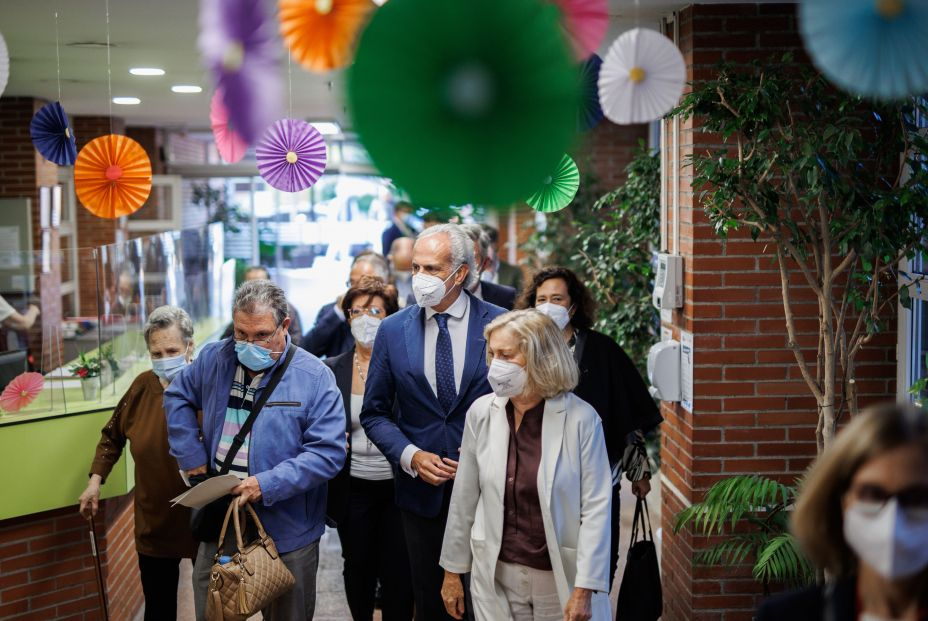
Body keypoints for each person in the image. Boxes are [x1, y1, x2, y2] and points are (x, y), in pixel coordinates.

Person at [165, 279, 346, 621]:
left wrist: (266, 483)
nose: (250, 345)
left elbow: (327, 453)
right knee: (212, 612)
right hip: (222, 518)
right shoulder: (214, 358)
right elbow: (177, 396)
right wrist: (191, 457)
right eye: (241, 334)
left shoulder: (314, 376)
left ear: (285, 325)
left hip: (287, 529)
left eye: (262, 335)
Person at [361, 223, 506, 620]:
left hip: (490, 491)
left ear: (460, 273)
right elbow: (374, 412)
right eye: (416, 268)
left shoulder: (501, 324)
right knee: (431, 603)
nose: (420, 278)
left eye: (431, 269)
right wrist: (411, 455)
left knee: (490, 601)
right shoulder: (393, 330)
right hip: (422, 495)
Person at [439, 309, 612, 621]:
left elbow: (596, 510)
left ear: (540, 358)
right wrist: (452, 571)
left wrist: (584, 589)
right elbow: (464, 498)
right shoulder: (482, 412)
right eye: (493, 354)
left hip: (557, 576)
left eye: (507, 355)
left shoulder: (582, 420)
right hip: (496, 572)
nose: (495, 364)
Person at [516, 266, 662, 594]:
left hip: (597, 477)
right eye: (541, 299)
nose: (548, 306)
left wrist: (639, 472)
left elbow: (626, 413)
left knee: (599, 562)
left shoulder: (601, 350)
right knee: (546, 565)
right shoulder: (521, 352)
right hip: (538, 479)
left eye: (557, 299)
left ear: (573, 306)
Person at [78, 305, 198, 621]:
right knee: (158, 611)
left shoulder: (206, 387)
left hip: (203, 521)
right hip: (155, 521)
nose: (164, 359)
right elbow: (111, 436)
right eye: (156, 353)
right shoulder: (142, 387)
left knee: (213, 609)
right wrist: (95, 481)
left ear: (190, 347)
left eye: (172, 351)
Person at [757, 403, 928, 620]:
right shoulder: (786, 616)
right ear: (841, 500)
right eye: (872, 494)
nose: (893, 520)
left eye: (916, 498)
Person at [325, 276, 414, 621]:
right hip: (353, 487)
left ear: (389, 317)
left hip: (397, 484)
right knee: (357, 565)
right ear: (347, 317)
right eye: (357, 311)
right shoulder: (332, 370)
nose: (365, 318)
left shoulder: (405, 365)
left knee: (398, 568)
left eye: (375, 311)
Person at [303, 251, 391, 359]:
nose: (354, 289)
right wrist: (339, 312)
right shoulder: (331, 312)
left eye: (363, 282)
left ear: (382, 284)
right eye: (352, 283)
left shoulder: (395, 313)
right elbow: (306, 351)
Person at [220, 265, 303, 341]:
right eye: (250, 284)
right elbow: (225, 340)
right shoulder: (241, 309)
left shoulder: (287, 309)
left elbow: (297, 340)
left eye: (260, 283)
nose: (255, 288)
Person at [460, 223, 517, 310]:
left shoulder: (506, 297)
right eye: (458, 257)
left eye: (472, 258)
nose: (463, 266)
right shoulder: (438, 297)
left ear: (485, 263)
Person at [480, 224, 524, 292]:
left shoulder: (514, 272)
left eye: (487, 245)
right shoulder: (469, 272)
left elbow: (522, 297)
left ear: (496, 245)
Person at [388, 237, 415, 305]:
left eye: (409, 269)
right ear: (391, 258)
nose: (405, 274)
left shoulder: (424, 279)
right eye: (401, 269)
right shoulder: (384, 279)